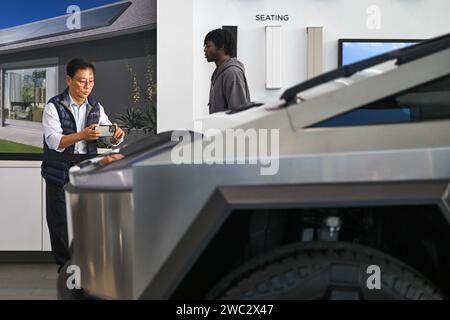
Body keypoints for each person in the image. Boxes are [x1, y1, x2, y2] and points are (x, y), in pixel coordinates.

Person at [41, 58, 125, 271]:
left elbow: (107, 136)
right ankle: (65, 268)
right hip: (58, 170)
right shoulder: (53, 106)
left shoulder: (96, 107)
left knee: (88, 222)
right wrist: (82, 135)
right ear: (68, 80)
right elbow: (55, 142)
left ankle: (85, 267)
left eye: (91, 81)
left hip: (86, 171)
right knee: (59, 223)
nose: (87, 86)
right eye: (81, 81)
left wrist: (115, 137)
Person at [204, 28, 251, 114]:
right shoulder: (219, 73)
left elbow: (239, 113)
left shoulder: (232, 73)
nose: (205, 50)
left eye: (208, 46)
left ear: (221, 46)